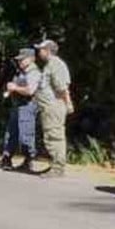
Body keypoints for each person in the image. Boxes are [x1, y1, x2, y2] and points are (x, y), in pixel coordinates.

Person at [33, 39, 73, 178]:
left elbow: (62, 88)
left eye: (41, 49)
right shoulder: (50, 65)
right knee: (51, 135)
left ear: (48, 50)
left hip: (54, 106)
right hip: (49, 107)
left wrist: (68, 103)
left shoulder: (56, 64)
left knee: (54, 136)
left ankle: (58, 168)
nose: (39, 52)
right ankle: (55, 165)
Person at [0, 48, 41, 172]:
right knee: (11, 133)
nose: (20, 61)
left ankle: (29, 160)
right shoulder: (21, 72)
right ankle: (7, 157)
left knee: (26, 134)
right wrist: (10, 89)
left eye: (22, 59)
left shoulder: (34, 73)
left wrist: (15, 87)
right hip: (17, 105)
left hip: (28, 106)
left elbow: (30, 91)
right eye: (19, 60)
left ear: (31, 59)